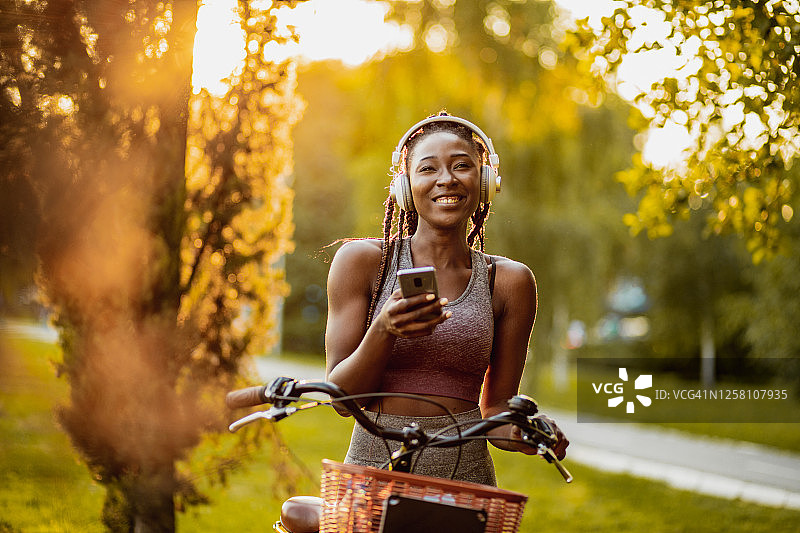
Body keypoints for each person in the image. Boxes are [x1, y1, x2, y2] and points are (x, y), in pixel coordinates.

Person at [324, 112, 568, 486]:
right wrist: (385, 329)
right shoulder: (362, 262)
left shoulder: (509, 282)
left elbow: (497, 409)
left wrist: (524, 431)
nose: (446, 179)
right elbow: (342, 401)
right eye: (428, 168)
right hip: (371, 475)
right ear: (405, 187)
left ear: (485, 182)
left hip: (466, 481)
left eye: (462, 166)